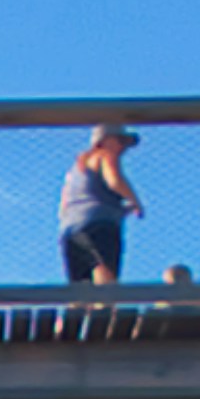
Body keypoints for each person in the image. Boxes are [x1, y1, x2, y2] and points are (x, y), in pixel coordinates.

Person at [57, 123, 141, 287]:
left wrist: (121, 210)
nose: (123, 147)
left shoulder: (75, 170)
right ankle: (106, 308)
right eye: (120, 141)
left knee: (81, 281)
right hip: (100, 224)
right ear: (105, 140)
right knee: (103, 269)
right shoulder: (105, 155)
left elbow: (65, 206)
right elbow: (114, 180)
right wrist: (135, 201)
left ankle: (79, 310)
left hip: (70, 228)